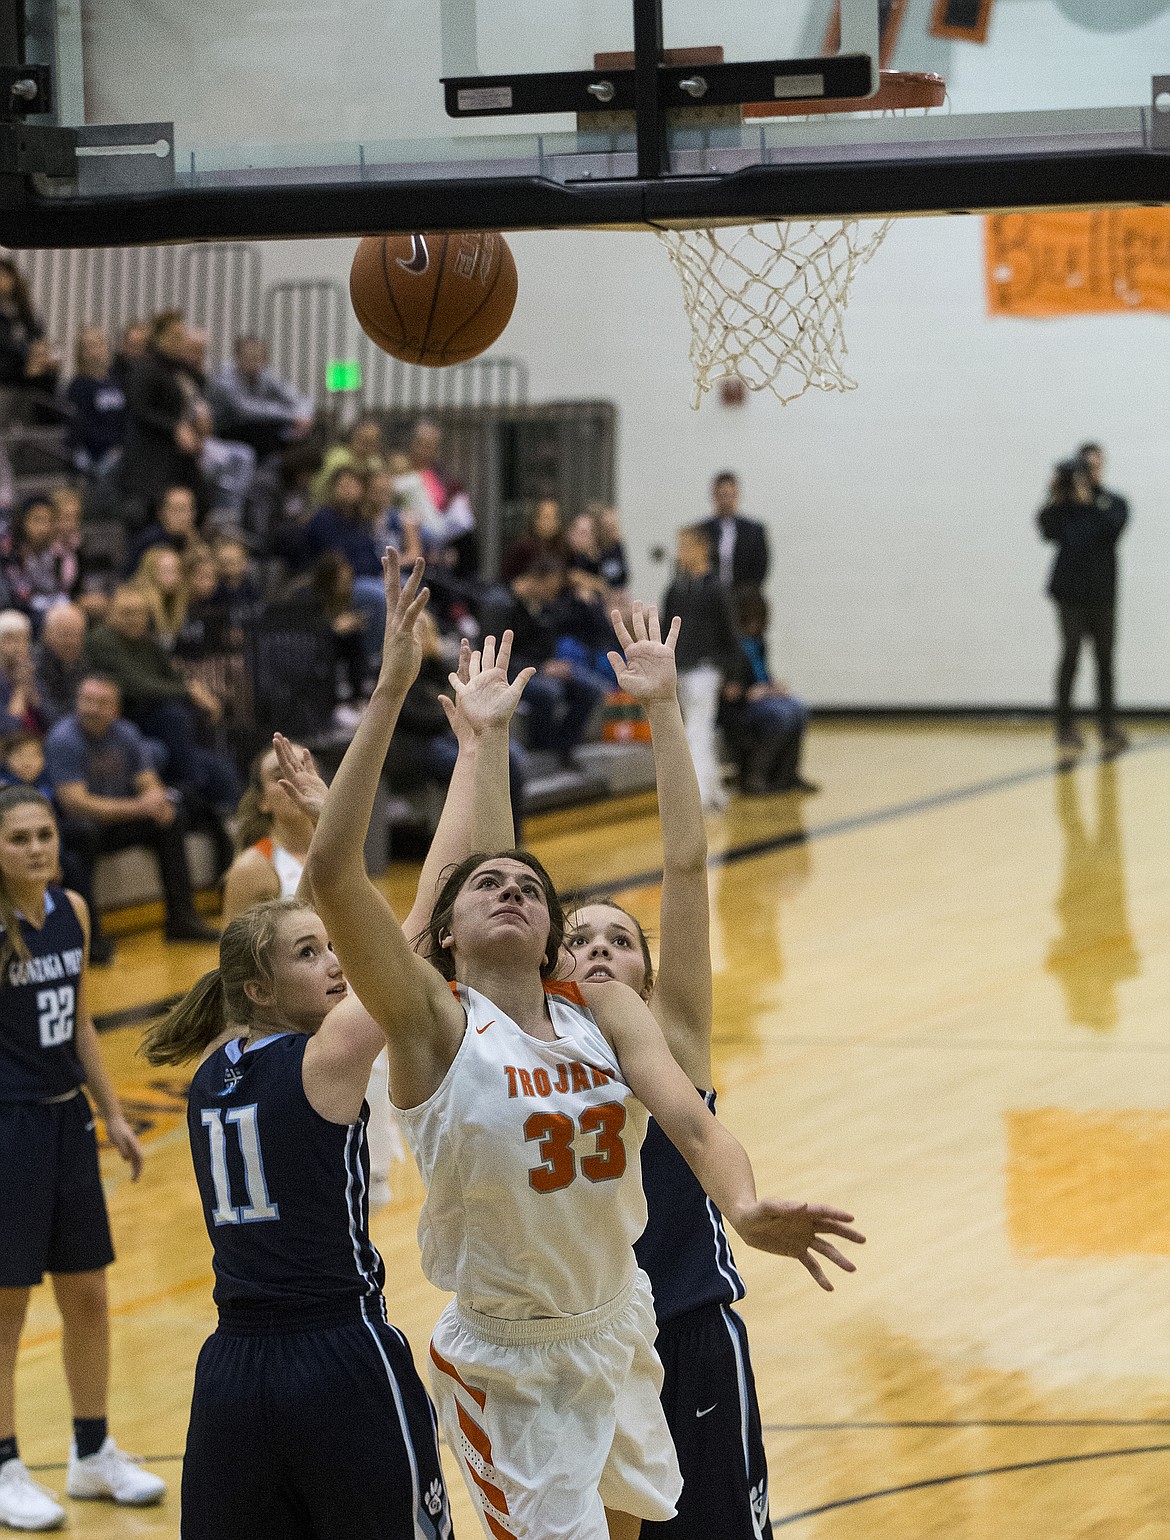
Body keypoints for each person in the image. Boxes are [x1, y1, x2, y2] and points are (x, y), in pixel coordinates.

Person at [292, 550, 864, 1540]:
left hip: (619, 1321)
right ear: (446, 936)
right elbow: (340, 875)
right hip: (512, 1355)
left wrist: (744, 1201)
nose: (512, 888)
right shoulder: (435, 1024)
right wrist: (406, 697)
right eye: (487, 887)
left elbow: (689, 1113)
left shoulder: (613, 1019)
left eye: (530, 888)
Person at [139, 630, 524, 1540]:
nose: (341, 968)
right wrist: (465, 748)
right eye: (312, 955)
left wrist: (322, 820)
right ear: (262, 989)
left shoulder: (210, 1072)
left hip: (230, 1372)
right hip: (337, 1357)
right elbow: (427, 916)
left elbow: (348, 920)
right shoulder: (326, 1060)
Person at [565, 604, 781, 1540]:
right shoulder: (530, 1054)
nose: (603, 948)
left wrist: (660, 710)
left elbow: (686, 866)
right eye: (580, 939)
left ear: (648, 969)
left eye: (622, 937)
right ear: (553, 971)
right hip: (586, 1341)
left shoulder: (675, 1031)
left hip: (690, 1325)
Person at [0, 785, 166, 1529]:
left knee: (88, 1296)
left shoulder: (73, 911)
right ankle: (3, 1464)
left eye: (43, 834)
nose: (37, 847)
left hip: (68, 1126)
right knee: (6, 1308)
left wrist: (114, 1114)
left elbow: (84, 1027)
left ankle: (91, 1453)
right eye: (19, 838)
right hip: (8, 1127)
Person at [45, 674, 219, 960]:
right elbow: (74, 802)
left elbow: (147, 780)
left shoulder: (126, 733)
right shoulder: (64, 738)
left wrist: (158, 801)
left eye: (101, 703)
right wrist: (141, 807)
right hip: (80, 825)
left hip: (117, 822)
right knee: (79, 839)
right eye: (86, 701)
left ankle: (182, 920)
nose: (91, 708)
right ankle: (91, 940)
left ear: (115, 709)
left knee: (171, 818)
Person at [83, 584, 240, 810]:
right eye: (126, 613)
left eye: (139, 613)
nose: (134, 619)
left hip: (162, 723)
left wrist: (193, 690)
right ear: (110, 614)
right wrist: (190, 692)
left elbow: (174, 678)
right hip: (124, 721)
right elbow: (137, 686)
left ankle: (232, 823)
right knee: (174, 716)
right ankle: (189, 785)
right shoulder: (102, 640)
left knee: (223, 770)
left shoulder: (147, 643)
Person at [1038, 452, 1128, 756]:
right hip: (1070, 596)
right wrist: (1056, 497)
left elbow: (1111, 529)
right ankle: (1065, 727)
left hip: (1102, 596)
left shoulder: (1113, 503)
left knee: (1105, 662)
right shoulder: (1063, 509)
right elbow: (1048, 530)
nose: (1089, 472)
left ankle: (1108, 725)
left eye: (1095, 466)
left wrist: (1090, 498)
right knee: (1070, 657)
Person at [481, 554, 608, 764]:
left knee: (590, 689)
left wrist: (549, 665)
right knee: (549, 691)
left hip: (536, 668)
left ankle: (563, 746)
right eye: (552, 586)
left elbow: (547, 646)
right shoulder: (500, 603)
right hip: (508, 672)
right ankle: (542, 750)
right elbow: (493, 654)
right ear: (538, 580)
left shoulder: (542, 606)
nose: (556, 592)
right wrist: (540, 667)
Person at [661, 527, 741, 813]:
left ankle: (700, 798)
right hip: (681, 669)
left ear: (702, 549)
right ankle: (714, 792)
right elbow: (664, 631)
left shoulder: (717, 589)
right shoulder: (675, 589)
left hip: (706, 670)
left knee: (697, 731)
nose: (680, 553)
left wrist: (733, 675)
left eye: (685, 546)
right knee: (697, 732)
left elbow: (731, 633)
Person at [720, 588, 817, 796]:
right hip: (740, 706)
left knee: (798, 709)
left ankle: (787, 774)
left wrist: (773, 687)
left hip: (762, 699)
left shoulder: (759, 642)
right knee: (782, 716)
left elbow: (763, 675)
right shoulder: (732, 644)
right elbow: (730, 689)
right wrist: (750, 692)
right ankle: (756, 776)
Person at [120, 309, 207, 522]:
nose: (180, 342)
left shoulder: (180, 369)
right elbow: (140, 409)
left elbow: (197, 392)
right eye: (174, 337)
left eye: (182, 336)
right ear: (158, 338)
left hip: (179, 453)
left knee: (203, 502)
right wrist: (175, 427)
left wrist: (200, 417)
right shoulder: (145, 368)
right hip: (151, 454)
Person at [208, 335, 314, 461]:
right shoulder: (223, 378)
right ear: (237, 356)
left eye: (259, 358)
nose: (255, 362)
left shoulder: (265, 375)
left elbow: (298, 398)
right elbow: (245, 409)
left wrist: (303, 415)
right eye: (250, 357)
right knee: (266, 429)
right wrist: (293, 417)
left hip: (254, 430)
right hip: (225, 432)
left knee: (296, 434)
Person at [0, 495, 79, 627]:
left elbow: (68, 591)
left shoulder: (60, 553)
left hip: (57, 611)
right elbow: (13, 601)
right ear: (22, 522)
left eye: (49, 521)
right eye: (37, 520)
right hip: (21, 616)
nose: (44, 528)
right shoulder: (9, 556)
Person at [64, 326, 127, 479]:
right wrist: (106, 448)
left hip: (118, 448)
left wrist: (120, 444)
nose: (96, 351)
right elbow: (80, 424)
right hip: (93, 452)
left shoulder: (117, 381)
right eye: (90, 346)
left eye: (100, 344)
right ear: (82, 354)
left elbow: (125, 418)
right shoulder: (79, 385)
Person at [699, 472, 769, 593]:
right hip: (709, 596)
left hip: (743, 596)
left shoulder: (754, 531)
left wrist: (748, 590)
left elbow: (760, 565)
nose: (725, 500)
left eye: (729, 495)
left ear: (736, 495)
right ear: (714, 496)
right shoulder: (702, 531)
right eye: (721, 495)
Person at [126, 483, 206, 573]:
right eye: (177, 509)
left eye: (188, 509)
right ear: (161, 512)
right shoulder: (149, 542)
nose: (182, 516)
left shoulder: (196, 537)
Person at [33, 601, 88, 730]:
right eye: (65, 635)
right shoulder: (35, 663)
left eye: (76, 635)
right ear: (46, 634)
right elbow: (46, 713)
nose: (71, 642)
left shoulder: (83, 661)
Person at [132, 545, 188, 649]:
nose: (173, 577)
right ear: (150, 572)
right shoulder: (139, 603)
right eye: (166, 571)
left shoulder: (177, 600)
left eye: (176, 570)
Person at [0, 610, 44, 738]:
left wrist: (32, 692)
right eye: (9, 639)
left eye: (23, 639)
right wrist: (20, 689)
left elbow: (49, 721)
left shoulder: (32, 671)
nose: (17, 646)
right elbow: (8, 729)